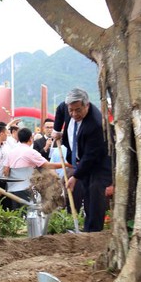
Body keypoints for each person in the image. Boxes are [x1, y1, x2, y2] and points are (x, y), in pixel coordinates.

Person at [52, 88, 112, 232]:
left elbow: (91, 156)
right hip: (80, 159)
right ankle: (86, 227)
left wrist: (76, 176)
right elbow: (61, 110)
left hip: (99, 163)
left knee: (95, 193)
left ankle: (93, 231)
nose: (74, 114)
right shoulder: (67, 108)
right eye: (71, 110)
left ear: (87, 105)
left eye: (78, 110)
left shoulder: (95, 124)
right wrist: (57, 130)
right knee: (86, 191)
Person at [3, 128, 64, 209]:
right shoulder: (30, 152)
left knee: (16, 214)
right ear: (30, 138)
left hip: (12, 189)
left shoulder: (11, 152)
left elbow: (5, 171)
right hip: (25, 188)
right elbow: (48, 165)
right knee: (27, 213)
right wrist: (67, 164)